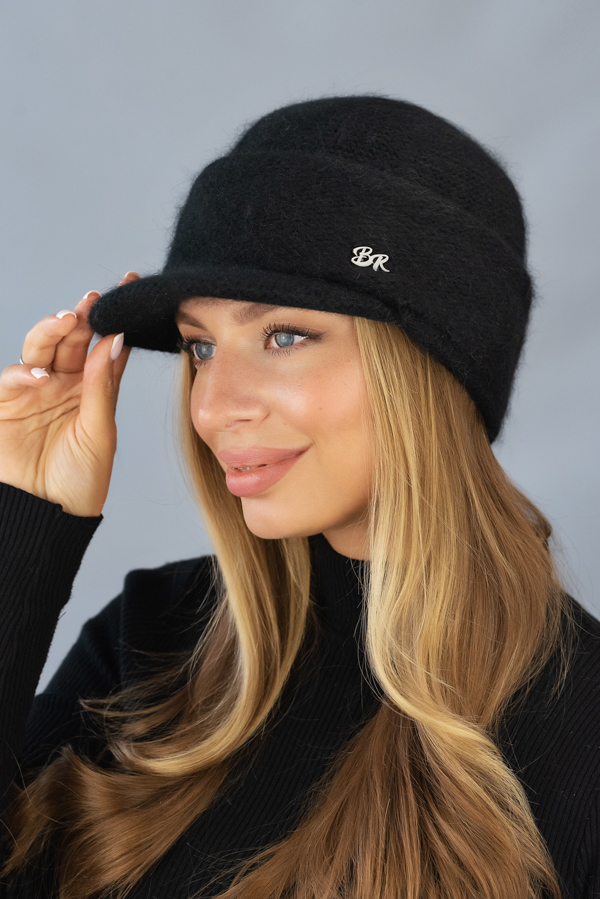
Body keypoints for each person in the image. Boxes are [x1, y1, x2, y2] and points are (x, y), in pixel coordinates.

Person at [0, 95, 598, 899]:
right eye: (200, 347)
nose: (214, 406)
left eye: (283, 336)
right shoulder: (151, 641)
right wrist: (26, 521)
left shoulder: (581, 727)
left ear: (430, 368)